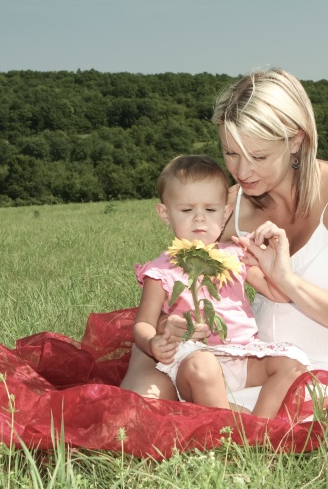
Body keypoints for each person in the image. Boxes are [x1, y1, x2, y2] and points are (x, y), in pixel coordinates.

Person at [121, 68, 328, 411]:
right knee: (153, 375)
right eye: (231, 153)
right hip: (252, 364)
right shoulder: (233, 203)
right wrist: (164, 329)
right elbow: (184, 280)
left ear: (296, 140)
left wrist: (286, 280)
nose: (242, 172)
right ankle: (140, 402)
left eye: (258, 156)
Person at [131, 154, 310, 418]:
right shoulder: (161, 271)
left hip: (244, 355)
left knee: (292, 362)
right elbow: (142, 323)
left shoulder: (235, 255)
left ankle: (260, 428)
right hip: (194, 362)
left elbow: (278, 294)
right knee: (202, 365)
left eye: (210, 210)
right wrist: (152, 342)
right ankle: (227, 429)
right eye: (187, 210)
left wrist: (274, 268)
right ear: (165, 214)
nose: (200, 219)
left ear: (225, 213)